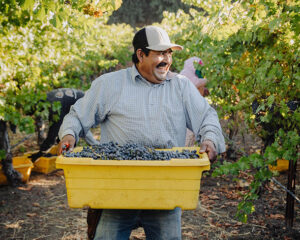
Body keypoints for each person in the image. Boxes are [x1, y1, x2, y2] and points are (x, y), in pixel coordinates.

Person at [58, 25, 226, 240]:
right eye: (160, 53)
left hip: (165, 189)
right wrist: (69, 135)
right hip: (118, 190)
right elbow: (77, 116)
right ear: (141, 54)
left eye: (169, 53)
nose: (167, 59)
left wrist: (210, 140)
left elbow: (207, 117)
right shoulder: (110, 85)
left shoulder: (181, 86)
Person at [29, 88, 99, 162]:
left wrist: (41, 152)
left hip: (86, 103)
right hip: (82, 99)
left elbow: (53, 132)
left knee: (82, 130)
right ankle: (97, 147)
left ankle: (99, 149)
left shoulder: (54, 107)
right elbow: (59, 126)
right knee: (70, 128)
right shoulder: (48, 98)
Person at [180, 57, 209, 147]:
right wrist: (208, 80)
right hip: (185, 110)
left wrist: (204, 90)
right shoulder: (185, 74)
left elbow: (198, 87)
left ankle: (188, 151)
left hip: (193, 109)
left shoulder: (196, 75)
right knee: (187, 134)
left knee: (192, 134)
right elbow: (195, 83)